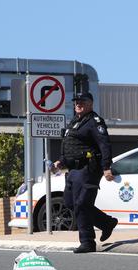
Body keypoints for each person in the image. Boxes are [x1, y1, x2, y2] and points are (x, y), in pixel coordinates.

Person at [53, 92, 118, 253]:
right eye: (76, 102)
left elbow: (104, 145)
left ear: (91, 104)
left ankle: (87, 241)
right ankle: (106, 223)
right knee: (69, 203)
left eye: (82, 101)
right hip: (73, 169)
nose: (78, 104)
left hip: (88, 168)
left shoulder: (94, 122)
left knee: (82, 204)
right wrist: (61, 161)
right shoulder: (75, 121)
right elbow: (69, 145)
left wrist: (106, 167)